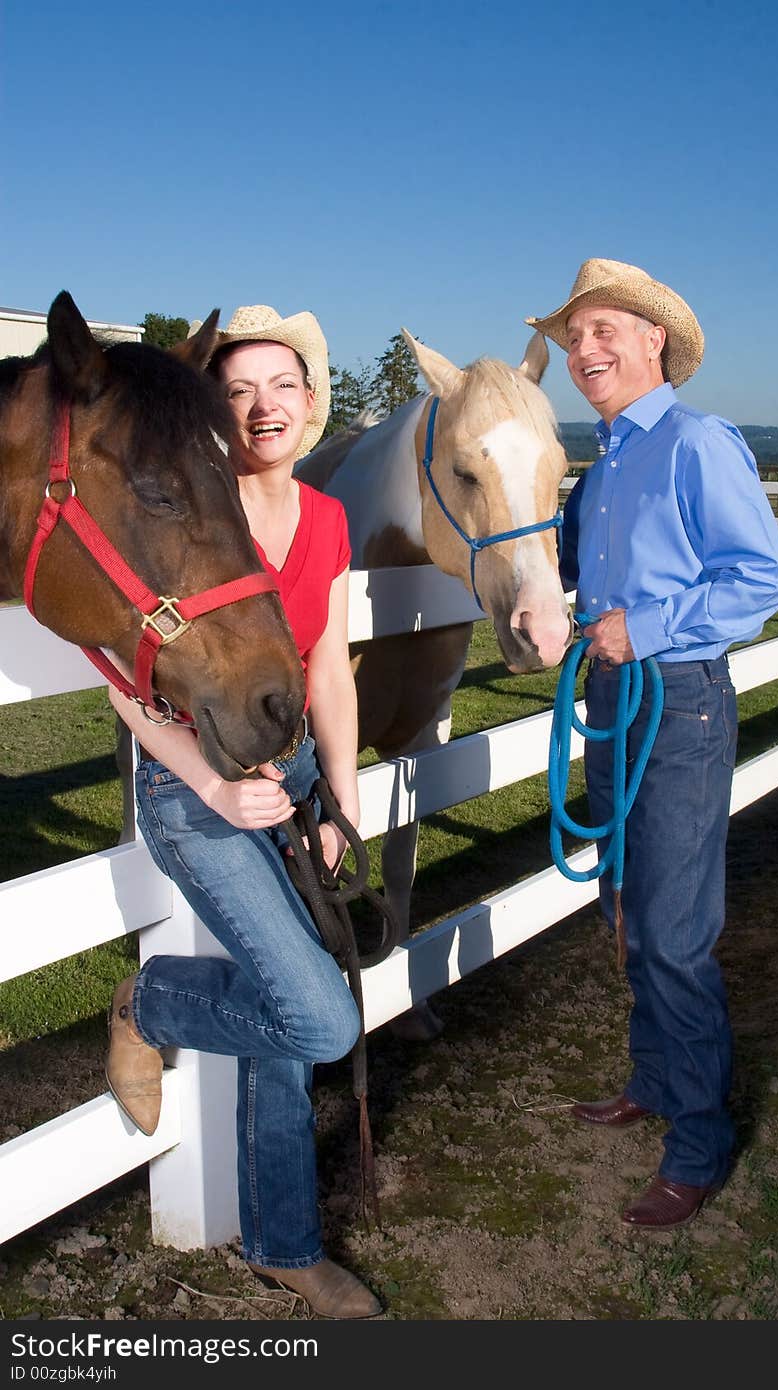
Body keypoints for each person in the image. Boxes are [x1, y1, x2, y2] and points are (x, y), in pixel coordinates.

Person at [104, 304, 381, 1317]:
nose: (263, 407)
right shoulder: (180, 513)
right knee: (317, 1012)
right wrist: (217, 784)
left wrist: (339, 801)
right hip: (198, 783)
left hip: (294, 774)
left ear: (312, 405)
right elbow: (122, 687)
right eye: (238, 390)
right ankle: (152, 1003)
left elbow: (328, 667)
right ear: (213, 412)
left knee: (283, 1012)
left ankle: (282, 1242)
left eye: (283, 387)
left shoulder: (328, 519)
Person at [526, 260, 778, 1230]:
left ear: (654, 344)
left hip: (675, 700)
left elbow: (761, 578)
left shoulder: (695, 443)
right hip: (609, 696)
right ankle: (653, 1072)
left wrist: (640, 629)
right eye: (574, 336)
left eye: (606, 330)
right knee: (625, 905)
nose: (585, 350)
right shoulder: (599, 468)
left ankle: (697, 1139)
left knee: (674, 930)